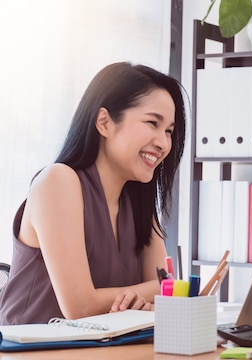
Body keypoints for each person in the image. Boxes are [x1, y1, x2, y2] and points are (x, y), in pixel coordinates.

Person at [0, 62, 186, 325]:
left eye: (169, 131)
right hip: (31, 359)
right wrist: (149, 293)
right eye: (152, 123)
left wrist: (156, 292)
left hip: (101, 356)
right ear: (104, 122)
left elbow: (168, 293)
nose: (163, 143)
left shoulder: (140, 204)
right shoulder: (58, 181)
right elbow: (80, 306)